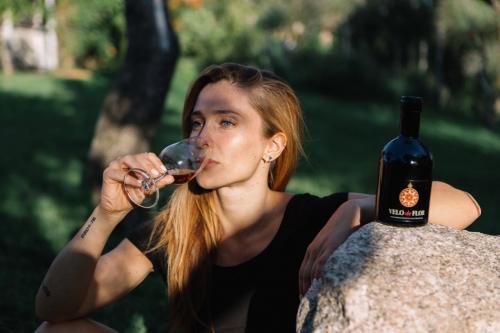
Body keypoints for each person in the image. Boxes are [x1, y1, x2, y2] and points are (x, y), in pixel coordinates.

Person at [35, 63, 482, 333]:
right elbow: (55, 308)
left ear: (273, 145)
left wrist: (359, 205)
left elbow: (464, 206)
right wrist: (107, 213)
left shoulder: (313, 216)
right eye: (196, 122)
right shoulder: (175, 229)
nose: (202, 137)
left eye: (226, 122)